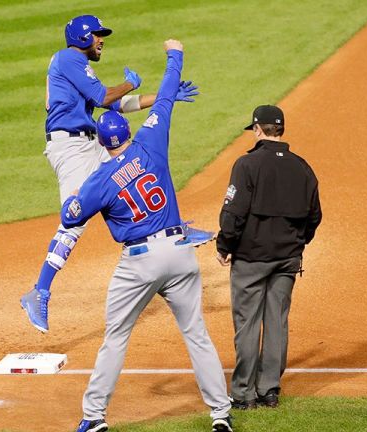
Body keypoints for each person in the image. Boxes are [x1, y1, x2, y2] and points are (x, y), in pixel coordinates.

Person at [61, 40, 233, 432]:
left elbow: (70, 217)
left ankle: (93, 417)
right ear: (126, 131)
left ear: (103, 143)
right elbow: (166, 99)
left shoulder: (100, 180)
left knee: (116, 337)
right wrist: (175, 56)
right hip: (179, 249)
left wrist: (76, 198)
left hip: (140, 262)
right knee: (197, 335)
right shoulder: (150, 141)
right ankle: (221, 415)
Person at [20, 15, 209, 334]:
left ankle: (172, 228)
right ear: (81, 38)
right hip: (71, 149)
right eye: (96, 35)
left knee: (138, 168)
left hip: (87, 141)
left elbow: (118, 105)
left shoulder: (77, 65)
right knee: (73, 221)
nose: (101, 40)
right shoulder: (68, 58)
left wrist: (165, 97)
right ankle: (39, 291)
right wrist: (131, 83)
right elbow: (105, 98)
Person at [215, 105, 322, 409]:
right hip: (287, 260)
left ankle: (243, 395)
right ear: (281, 130)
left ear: (258, 130)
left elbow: (233, 213)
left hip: (251, 259)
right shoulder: (302, 168)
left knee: (248, 324)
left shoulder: (247, 164)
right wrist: (296, 244)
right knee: (276, 322)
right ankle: (269, 390)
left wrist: (225, 245)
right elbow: (314, 216)